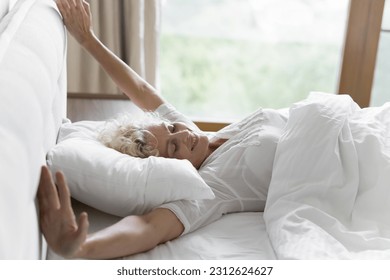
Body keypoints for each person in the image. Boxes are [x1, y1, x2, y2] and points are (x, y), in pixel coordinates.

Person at [37, 0, 287, 259]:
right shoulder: (212, 188)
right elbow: (147, 228)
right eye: (173, 147)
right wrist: (80, 248)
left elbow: (141, 90)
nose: (181, 135)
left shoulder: (193, 133)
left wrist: (88, 39)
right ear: (176, 165)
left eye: (170, 127)